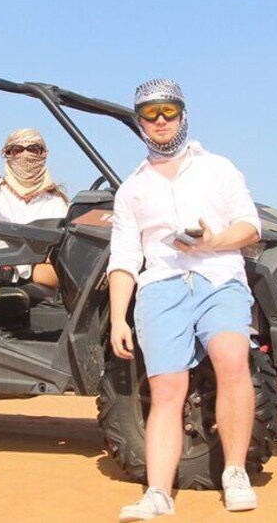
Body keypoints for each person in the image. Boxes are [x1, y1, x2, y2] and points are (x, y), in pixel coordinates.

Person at [108, 79, 262, 520]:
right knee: (167, 389)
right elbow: (124, 257)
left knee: (232, 357)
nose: (160, 122)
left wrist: (212, 242)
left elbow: (249, 226)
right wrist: (119, 318)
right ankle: (158, 492)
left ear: (182, 114)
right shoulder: (131, 188)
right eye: (150, 115)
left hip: (218, 278)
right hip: (160, 286)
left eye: (168, 112)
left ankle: (235, 472)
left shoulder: (217, 168)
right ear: (139, 121)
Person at [0, 128, 68, 288]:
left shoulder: (57, 199)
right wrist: (33, 264)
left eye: (33, 149)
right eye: (17, 150)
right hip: (8, 274)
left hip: (49, 273)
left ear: (44, 153)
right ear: (7, 154)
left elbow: (62, 247)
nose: (25, 155)